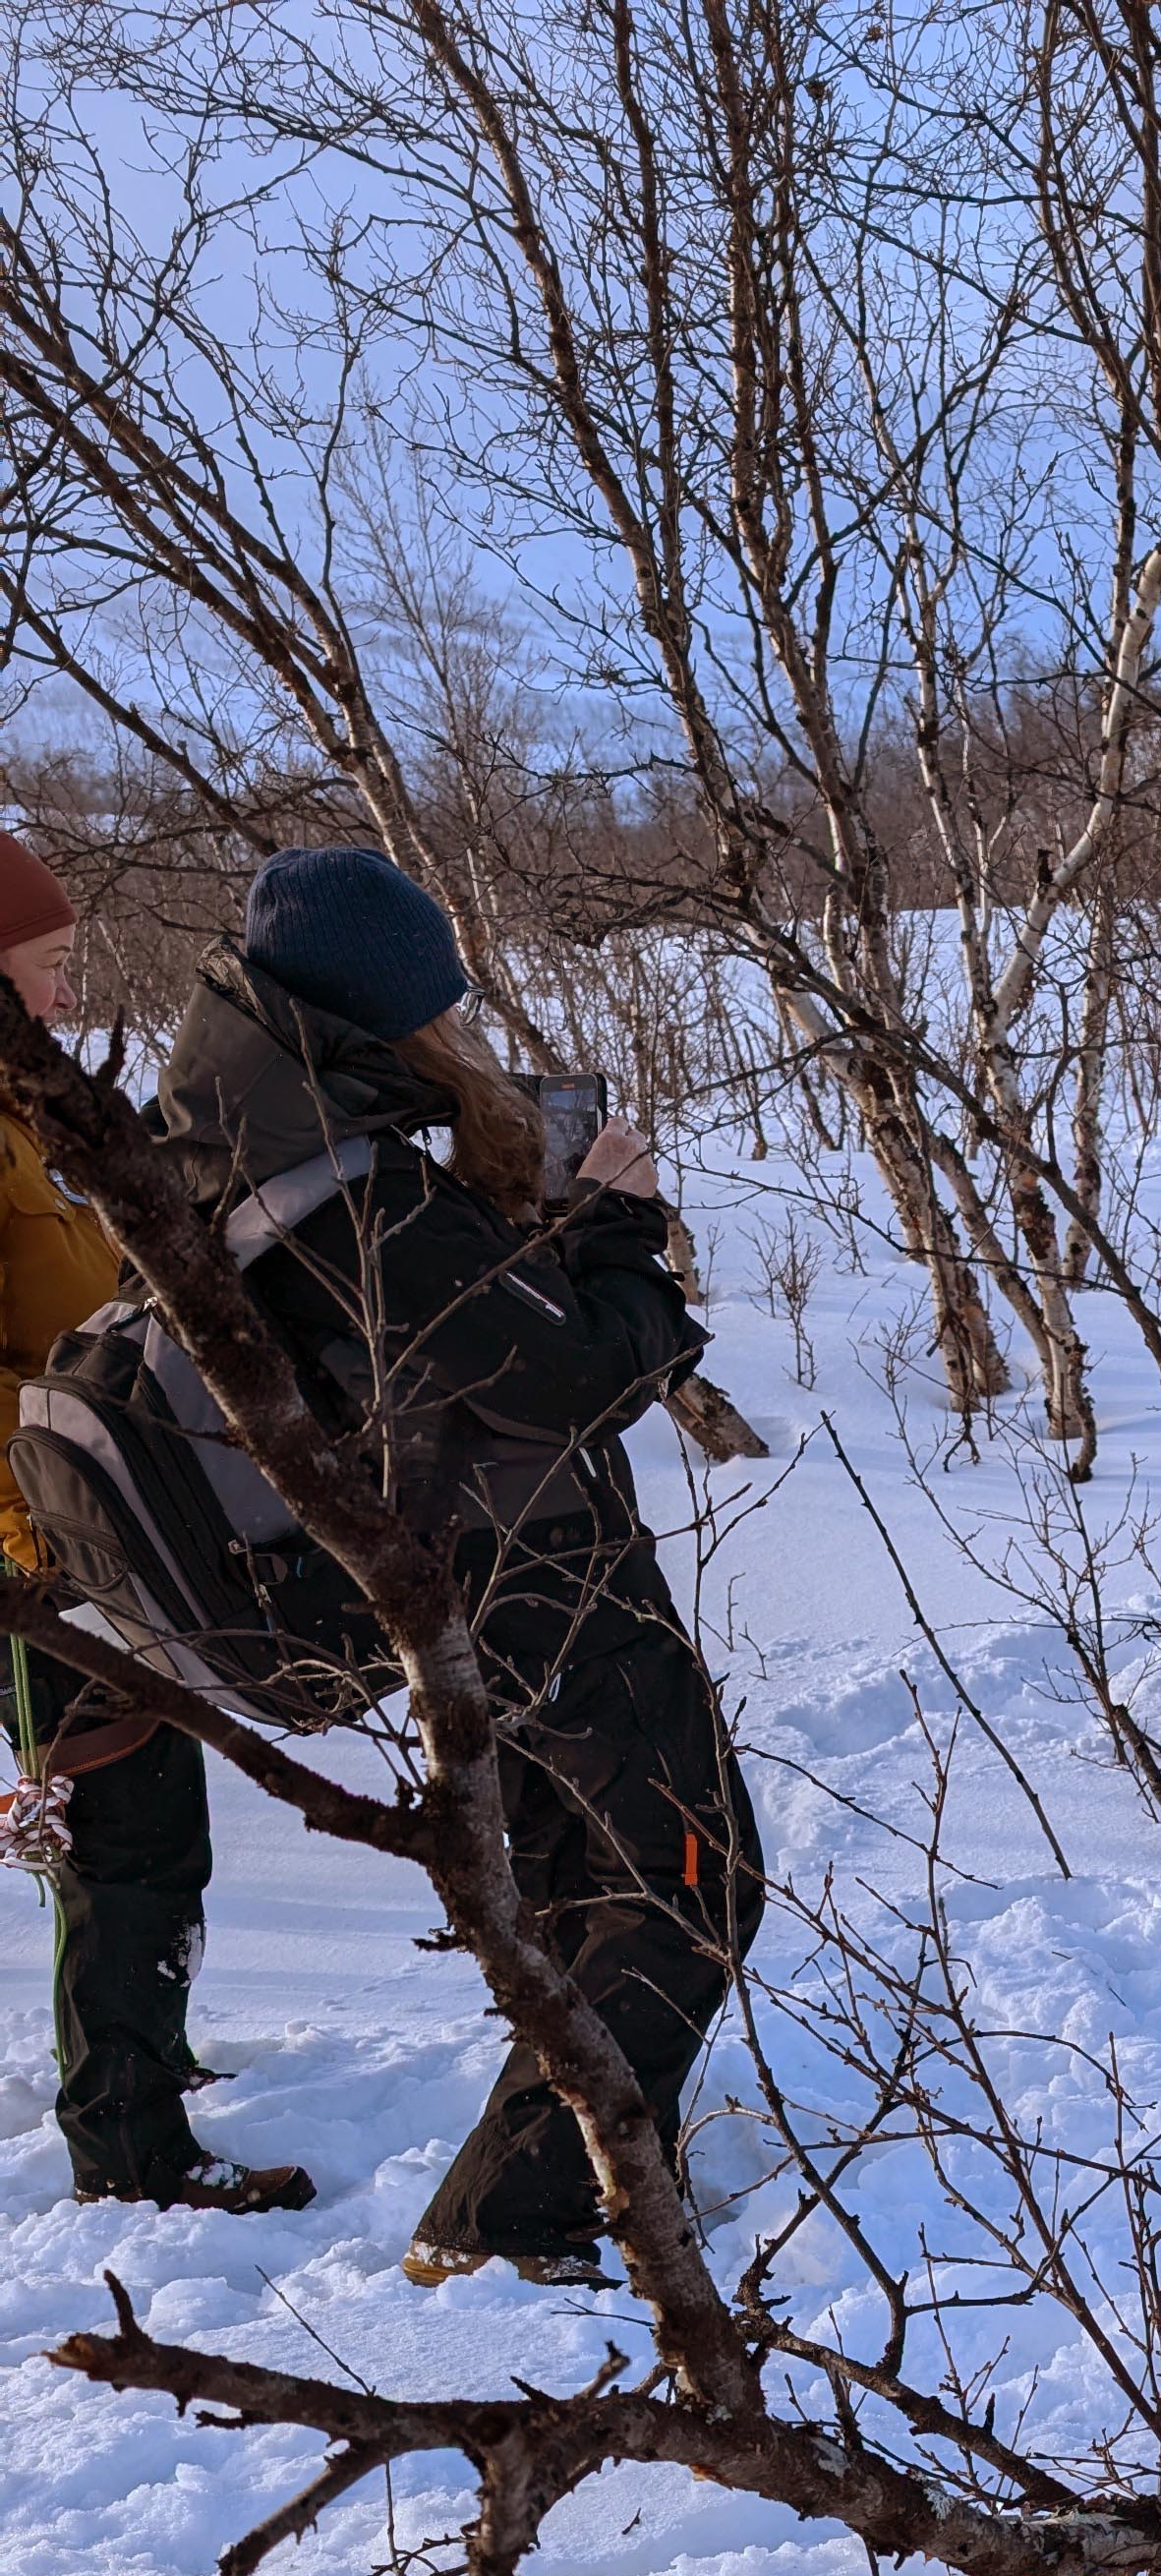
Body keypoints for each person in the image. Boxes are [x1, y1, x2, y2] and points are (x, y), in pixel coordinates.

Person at [144, 847, 763, 2287]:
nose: (457, 1032)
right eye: (438, 1009)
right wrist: (616, 1224)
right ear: (377, 1020)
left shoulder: (241, 1142)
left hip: (466, 1588)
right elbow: (572, 1378)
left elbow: (456, 1356)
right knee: (688, 1883)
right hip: (540, 1581)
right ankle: (506, 2228)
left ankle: (614, 2176)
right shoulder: (352, 1198)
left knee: (582, 1894)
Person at [0, 826, 314, 2215]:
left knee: (155, 1821)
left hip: (94, 1520)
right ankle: (128, 2156)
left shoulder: (23, 1112)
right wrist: (31, 1530)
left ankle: (152, 2066)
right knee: (118, 1843)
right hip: (33, 1544)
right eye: (47, 968)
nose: (66, 996)